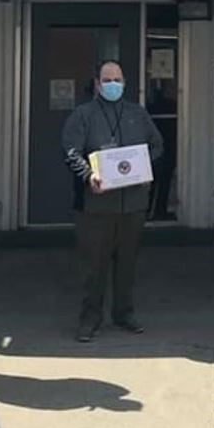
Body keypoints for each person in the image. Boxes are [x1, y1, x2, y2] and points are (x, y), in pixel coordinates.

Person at [62, 60, 164, 342]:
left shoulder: (137, 113)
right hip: (97, 205)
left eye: (117, 79)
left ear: (125, 83)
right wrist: (88, 174)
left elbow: (157, 145)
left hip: (132, 204)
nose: (112, 85)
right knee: (94, 265)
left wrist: (145, 166)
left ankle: (124, 313)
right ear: (97, 84)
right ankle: (90, 318)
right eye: (107, 80)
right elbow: (71, 151)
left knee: (127, 263)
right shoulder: (83, 115)